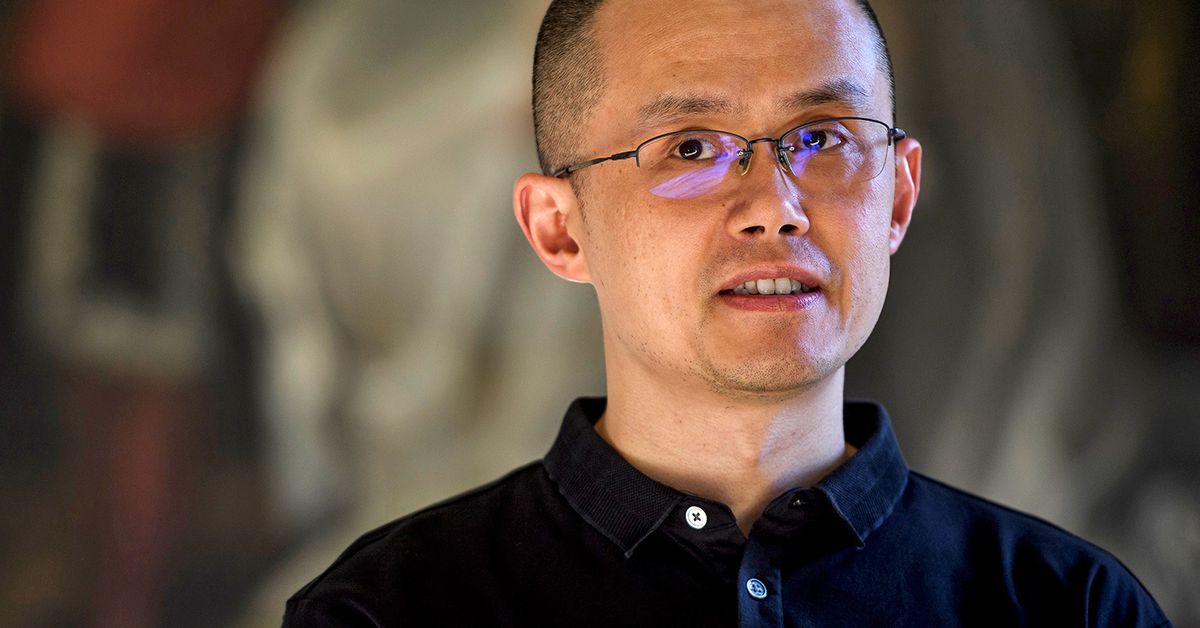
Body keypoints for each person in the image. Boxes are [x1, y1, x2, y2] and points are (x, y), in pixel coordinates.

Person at [282, 0, 1171, 625]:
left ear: (898, 199)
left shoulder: (1072, 606)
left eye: (821, 138)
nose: (775, 207)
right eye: (691, 148)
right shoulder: (387, 611)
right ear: (559, 229)